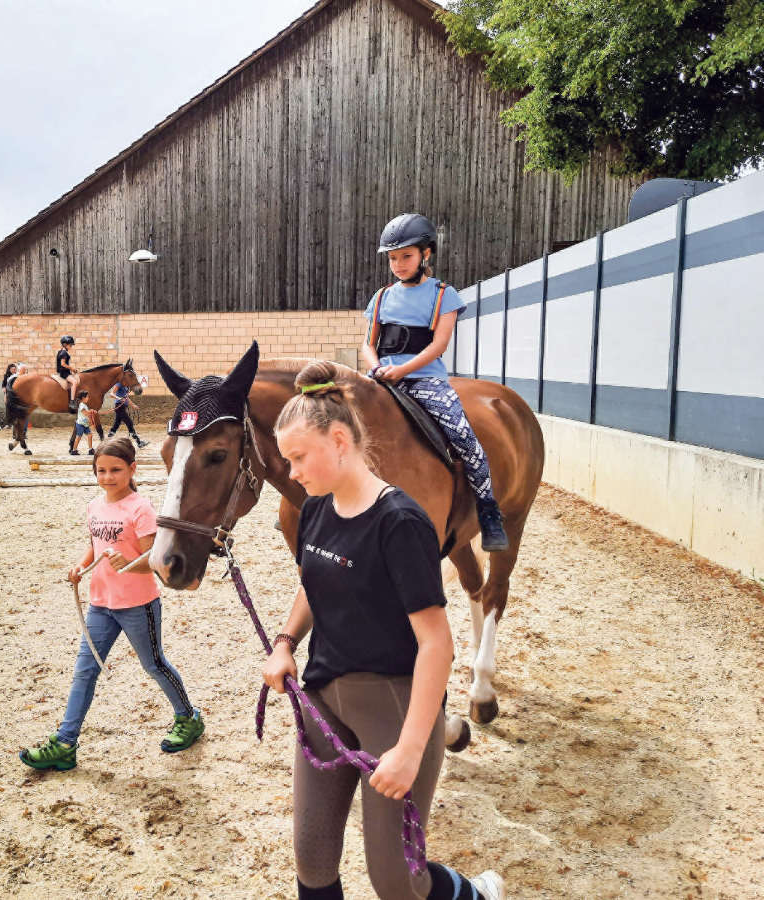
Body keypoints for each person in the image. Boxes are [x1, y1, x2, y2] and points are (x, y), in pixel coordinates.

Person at [263, 360, 505, 900]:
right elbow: (312, 582)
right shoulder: (317, 511)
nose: (293, 472)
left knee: (395, 881)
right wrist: (285, 644)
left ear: (341, 439)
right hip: (323, 697)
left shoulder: (401, 521)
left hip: (394, 709)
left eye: (299, 457)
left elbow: (436, 642)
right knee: (312, 859)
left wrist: (411, 748)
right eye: (287, 460)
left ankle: (474, 894)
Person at [18, 436, 204, 771]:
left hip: (137, 604)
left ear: (131, 469)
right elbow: (95, 546)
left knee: (154, 665)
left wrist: (129, 561)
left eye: (115, 470)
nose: (107, 477)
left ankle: (188, 717)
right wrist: (79, 566)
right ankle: (65, 743)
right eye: (101, 470)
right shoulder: (94, 506)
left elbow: (155, 557)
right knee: (84, 671)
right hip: (100, 604)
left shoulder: (140, 508)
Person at [360, 213, 508, 552]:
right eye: (393, 258)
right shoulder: (381, 297)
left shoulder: (444, 295)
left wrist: (402, 370)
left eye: (406, 256)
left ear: (426, 254)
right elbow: (368, 343)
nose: (398, 264)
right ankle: (314, 497)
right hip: (381, 376)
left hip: (425, 378)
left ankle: (488, 513)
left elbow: (438, 346)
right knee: (334, 419)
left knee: (465, 440)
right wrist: (378, 367)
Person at [108, 380, 149, 449]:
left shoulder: (126, 387)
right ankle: (139, 442)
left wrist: (133, 405)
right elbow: (111, 394)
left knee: (116, 424)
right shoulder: (119, 384)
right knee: (129, 423)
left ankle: (107, 441)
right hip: (119, 407)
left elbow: (126, 398)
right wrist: (119, 398)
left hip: (123, 407)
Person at [57, 335, 80, 412]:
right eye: (70, 345)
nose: (71, 346)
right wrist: (72, 368)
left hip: (65, 371)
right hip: (64, 373)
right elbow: (63, 364)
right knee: (74, 382)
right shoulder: (63, 353)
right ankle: (72, 401)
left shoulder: (61, 351)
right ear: (65, 344)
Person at [69, 390, 95, 456]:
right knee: (78, 437)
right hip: (80, 424)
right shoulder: (81, 405)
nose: (88, 398)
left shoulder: (84, 405)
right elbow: (86, 413)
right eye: (87, 397)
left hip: (85, 424)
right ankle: (74, 450)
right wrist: (91, 411)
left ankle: (90, 449)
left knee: (90, 435)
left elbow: (87, 413)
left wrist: (91, 411)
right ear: (83, 398)